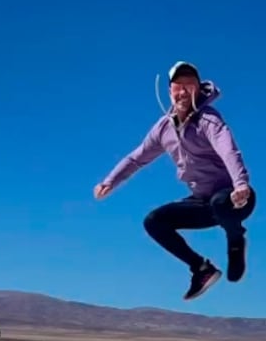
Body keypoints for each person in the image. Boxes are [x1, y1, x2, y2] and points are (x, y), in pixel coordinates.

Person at [94, 61, 256, 300]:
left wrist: (240, 184)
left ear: (198, 88)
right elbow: (137, 157)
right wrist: (110, 181)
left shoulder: (208, 119)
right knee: (154, 221)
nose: (183, 91)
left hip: (236, 198)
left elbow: (228, 150)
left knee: (221, 202)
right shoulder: (164, 128)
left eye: (189, 85)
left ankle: (235, 241)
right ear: (170, 91)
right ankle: (201, 268)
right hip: (203, 203)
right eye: (178, 86)